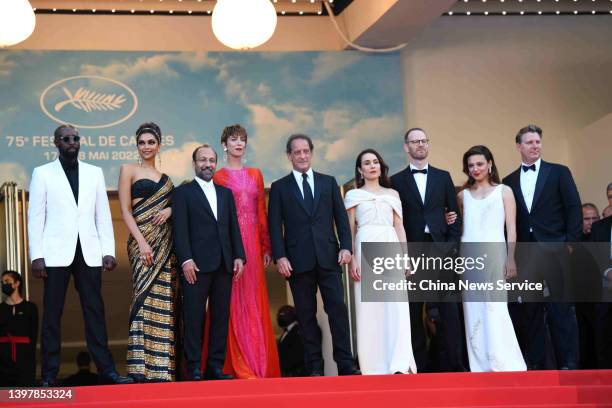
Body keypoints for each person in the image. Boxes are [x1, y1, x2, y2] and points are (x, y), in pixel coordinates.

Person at [28, 124, 132, 386]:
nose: (72, 142)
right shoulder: (42, 173)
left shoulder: (94, 173)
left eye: (75, 138)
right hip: (54, 254)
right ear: (56, 143)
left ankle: (107, 370)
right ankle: (49, 375)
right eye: (66, 139)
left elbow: (102, 215)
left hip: (89, 252)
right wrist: (36, 255)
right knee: (53, 314)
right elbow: (35, 217)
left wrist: (108, 250)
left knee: (94, 312)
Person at [268, 134, 359, 376]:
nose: (302, 155)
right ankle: (315, 369)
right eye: (296, 152)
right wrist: (281, 256)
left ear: (311, 152)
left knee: (337, 311)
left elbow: (341, 219)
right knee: (306, 318)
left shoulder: (328, 182)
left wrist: (346, 247)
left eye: (306, 151)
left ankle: (346, 365)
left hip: (329, 258)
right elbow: (275, 227)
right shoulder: (279, 187)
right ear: (289, 156)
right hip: (297, 262)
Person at [502, 124, 582, 370]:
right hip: (526, 254)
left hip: (555, 248)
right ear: (519, 147)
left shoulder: (559, 172)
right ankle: (535, 364)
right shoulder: (509, 180)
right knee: (530, 310)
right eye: (529, 142)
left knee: (561, 307)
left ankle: (569, 362)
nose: (535, 146)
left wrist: (570, 243)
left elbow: (573, 207)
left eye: (538, 142)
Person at [205, 124, 280, 379]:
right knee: (230, 301)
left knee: (254, 301)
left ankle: (258, 364)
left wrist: (266, 245)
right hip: (230, 245)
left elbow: (261, 213)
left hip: (253, 246)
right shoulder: (218, 177)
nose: (239, 144)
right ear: (224, 144)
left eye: (242, 140)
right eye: (233, 139)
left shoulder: (256, 174)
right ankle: (237, 366)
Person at [390, 128, 466, 372]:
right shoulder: (396, 181)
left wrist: (451, 247)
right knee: (413, 310)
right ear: (406, 147)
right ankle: (418, 367)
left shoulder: (443, 177)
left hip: (440, 249)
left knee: (449, 310)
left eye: (423, 141)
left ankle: (454, 365)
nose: (420, 145)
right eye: (415, 141)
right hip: (411, 252)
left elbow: (455, 214)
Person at [172, 144, 246, 381]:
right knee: (194, 317)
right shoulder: (182, 194)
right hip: (196, 266)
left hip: (225, 264)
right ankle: (193, 368)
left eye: (211, 160)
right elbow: (179, 231)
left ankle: (215, 366)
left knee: (220, 317)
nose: (207, 164)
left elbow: (233, 226)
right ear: (194, 164)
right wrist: (185, 260)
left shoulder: (225, 193)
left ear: (216, 163)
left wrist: (239, 256)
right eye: (202, 160)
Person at [345, 149, 417, 375]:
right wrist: (352, 260)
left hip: (391, 247)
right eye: (366, 163)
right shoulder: (353, 195)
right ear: (360, 169)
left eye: (375, 161)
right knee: (369, 310)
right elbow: (350, 230)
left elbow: (399, 227)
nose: (372, 166)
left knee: (395, 308)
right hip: (365, 249)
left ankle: (399, 363)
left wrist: (405, 258)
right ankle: (373, 365)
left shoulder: (393, 194)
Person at [456, 145, 526, 372]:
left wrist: (511, 258)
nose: (475, 169)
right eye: (470, 165)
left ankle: (503, 361)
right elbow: (459, 227)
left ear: (490, 164)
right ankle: (480, 364)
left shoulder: (504, 191)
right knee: (473, 309)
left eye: (479, 164)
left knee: (495, 306)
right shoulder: (462, 196)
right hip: (469, 256)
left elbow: (512, 229)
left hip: (495, 253)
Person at [118, 122, 177, 382]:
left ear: (158, 145)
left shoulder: (168, 181)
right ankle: (140, 368)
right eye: (141, 142)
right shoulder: (128, 170)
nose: (146, 147)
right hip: (141, 243)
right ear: (137, 145)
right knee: (142, 297)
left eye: (150, 142)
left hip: (166, 246)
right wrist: (141, 242)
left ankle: (161, 368)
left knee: (163, 299)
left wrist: (170, 210)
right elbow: (125, 211)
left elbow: (178, 206)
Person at [0, 270, 38, 386]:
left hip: (24, 359)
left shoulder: (30, 308)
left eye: (7, 281)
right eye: (2, 282)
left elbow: (33, 335)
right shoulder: (0, 309)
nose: (3, 284)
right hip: (3, 360)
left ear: (17, 283)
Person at [589, 215, 612, 368]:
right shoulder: (599, 227)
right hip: (606, 286)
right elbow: (594, 255)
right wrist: (609, 271)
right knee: (603, 334)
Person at [276, 305, 306, 377]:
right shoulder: (286, 332)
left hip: (295, 374)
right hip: (286, 373)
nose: (279, 318)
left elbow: (297, 354)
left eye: (281, 314)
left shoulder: (299, 331)